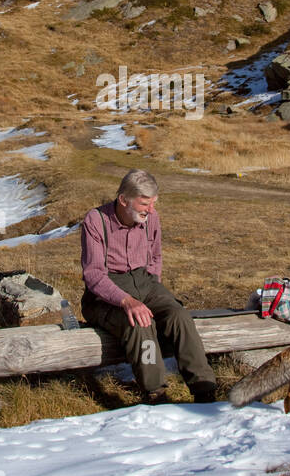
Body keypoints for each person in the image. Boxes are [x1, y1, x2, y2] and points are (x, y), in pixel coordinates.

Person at [80, 169, 217, 404]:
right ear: (124, 200)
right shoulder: (95, 220)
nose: (151, 210)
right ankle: (156, 394)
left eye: (154, 203)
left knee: (179, 316)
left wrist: (154, 292)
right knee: (140, 324)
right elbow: (93, 275)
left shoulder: (150, 218)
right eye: (145, 203)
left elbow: (155, 257)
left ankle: (204, 390)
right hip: (105, 293)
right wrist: (127, 301)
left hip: (144, 281)